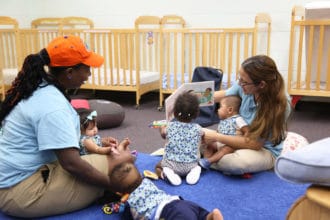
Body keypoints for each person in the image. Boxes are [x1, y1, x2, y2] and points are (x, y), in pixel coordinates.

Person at [0, 35, 134, 218]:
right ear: (70, 72)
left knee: (111, 158)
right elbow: (71, 164)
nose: (89, 74)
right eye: (87, 68)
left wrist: (95, 144)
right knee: (121, 164)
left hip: (18, 178)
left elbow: (58, 140)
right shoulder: (53, 106)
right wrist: (111, 184)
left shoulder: (41, 87)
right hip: (20, 191)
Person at [202, 55, 292, 175]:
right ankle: (207, 159)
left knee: (234, 163)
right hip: (236, 138)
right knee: (194, 137)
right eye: (240, 79)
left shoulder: (279, 105)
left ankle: (203, 160)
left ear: (261, 85)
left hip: (262, 149)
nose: (239, 84)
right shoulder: (246, 87)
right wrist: (188, 97)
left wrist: (216, 137)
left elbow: (255, 144)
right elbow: (221, 95)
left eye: (244, 82)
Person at [109, 161, 224, 220]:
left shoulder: (130, 203)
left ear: (120, 192)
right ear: (140, 176)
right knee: (200, 215)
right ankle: (210, 216)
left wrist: (122, 209)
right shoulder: (147, 181)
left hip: (168, 215)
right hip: (179, 203)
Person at [158, 91, 204, 186]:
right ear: (196, 114)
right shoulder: (198, 128)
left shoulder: (170, 126)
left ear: (174, 112)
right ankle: (195, 170)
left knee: (160, 165)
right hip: (191, 164)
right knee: (197, 162)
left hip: (171, 163)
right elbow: (203, 136)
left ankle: (168, 172)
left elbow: (163, 135)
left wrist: (161, 128)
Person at [199, 95, 248, 169]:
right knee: (209, 146)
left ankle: (209, 161)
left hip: (232, 144)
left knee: (225, 149)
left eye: (220, 107)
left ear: (230, 110)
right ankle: (204, 162)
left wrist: (243, 141)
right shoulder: (223, 121)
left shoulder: (237, 119)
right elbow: (218, 133)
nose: (218, 110)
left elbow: (246, 130)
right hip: (221, 142)